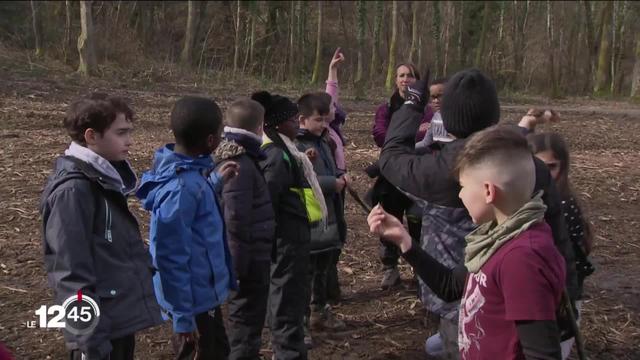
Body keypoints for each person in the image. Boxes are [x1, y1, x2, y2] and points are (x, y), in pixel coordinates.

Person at [377, 68, 578, 358]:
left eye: (462, 185)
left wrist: (412, 102)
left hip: (473, 311)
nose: (460, 191)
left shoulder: (438, 169)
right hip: (486, 298)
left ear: (487, 191)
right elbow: (558, 234)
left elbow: (391, 156)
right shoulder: (523, 172)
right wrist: (566, 298)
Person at [40, 95, 162, 360]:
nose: (129, 140)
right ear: (91, 136)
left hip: (116, 321)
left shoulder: (104, 182)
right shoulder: (74, 191)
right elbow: (69, 273)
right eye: (121, 133)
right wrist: (88, 340)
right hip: (96, 333)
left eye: (129, 132)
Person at [136, 96, 238, 359]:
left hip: (203, 296)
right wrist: (182, 318)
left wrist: (214, 182)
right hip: (192, 303)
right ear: (210, 141)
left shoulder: (191, 177)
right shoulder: (181, 188)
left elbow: (193, 211)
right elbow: (169, 256)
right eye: (219, 132)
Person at [252, 91, 324, 360]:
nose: (298, 124)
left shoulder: (287, 151)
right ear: (278, 123)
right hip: (284, 242)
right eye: (293, 119)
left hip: (292, 238)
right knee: (286, 300)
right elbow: (268, 200)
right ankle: (287, 351)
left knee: (291, 297)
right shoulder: (275, 156)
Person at [214, 99, 277, 360]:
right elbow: (235, 219)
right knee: (244, 324)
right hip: (246, 263)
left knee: (249, 322)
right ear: (261, 127)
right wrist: (237, 269)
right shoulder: (240, 162)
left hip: (250, 257)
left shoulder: (244, 157)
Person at [527, 131, 595, 359]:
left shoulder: (563, 205)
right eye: (537, 165)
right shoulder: (533, 200)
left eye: (552, 166)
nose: (545, 173)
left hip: (564, 292)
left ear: (563, 167)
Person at [371, 63, 432, 289]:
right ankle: (390, 268)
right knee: (389, 217)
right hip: (391, 173)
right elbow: (379, 135)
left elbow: (430, 134)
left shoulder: (427, 110)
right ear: (396, 80)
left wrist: (400, 137)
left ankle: (421, 270)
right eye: (402, 75)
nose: (406, 79)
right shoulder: (386, 108)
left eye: (410, 76)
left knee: (419, 222)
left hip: (418, 171)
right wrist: (412, 135)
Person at [295, 92, 348, 345]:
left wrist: (341, 176)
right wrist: (331, 183)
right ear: (302, 119)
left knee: (323, 269)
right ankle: (301, 321)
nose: (323, 125)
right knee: (305, 272)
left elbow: (331, 168)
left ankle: (320, 309)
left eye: (326, 120)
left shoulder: (324, 141)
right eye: (318, 120)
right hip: (311, 217)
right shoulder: (296, 145)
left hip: (329, 215)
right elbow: (302, 178)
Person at [324, 48, 348, 304]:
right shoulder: (321, 134)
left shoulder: (332, 128)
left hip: (340, 183)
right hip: (330, 187)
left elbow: (331, 93)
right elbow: (328, 96)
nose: (333, 107)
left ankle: (332, 284)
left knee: (339, 233)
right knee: (329, 236)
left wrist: (333, 70)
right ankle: (326, 290)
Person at [415, 77, 454, 152]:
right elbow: (425, 143)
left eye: (440, 96)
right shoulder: (435, 117)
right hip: (438, 160)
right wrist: (405, 149)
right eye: (433, 97)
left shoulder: (460, 118)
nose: (436, 101)